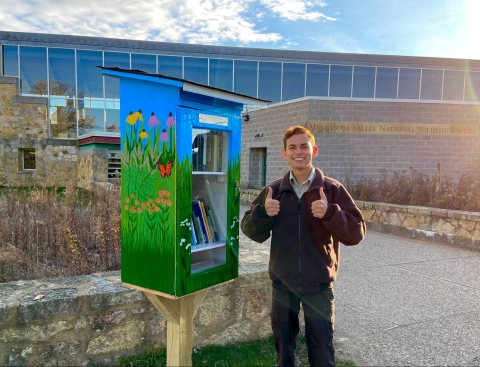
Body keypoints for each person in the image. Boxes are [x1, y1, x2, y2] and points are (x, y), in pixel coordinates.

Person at [241, 125, 365, 367]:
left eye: (304, 146)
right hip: (283, 286)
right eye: (292, 147)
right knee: (284, 352)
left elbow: (356, 232)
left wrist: (330, 213)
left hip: (318, 286)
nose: (299, 152)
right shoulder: (274, 190)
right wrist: (263, 214)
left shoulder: (331, 189)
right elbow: (248, 228)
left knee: (322, 351)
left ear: (314, 150)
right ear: (284, 153)